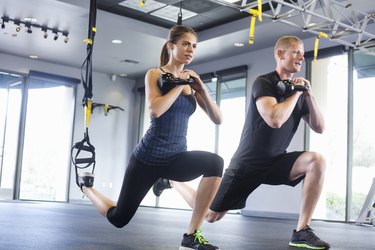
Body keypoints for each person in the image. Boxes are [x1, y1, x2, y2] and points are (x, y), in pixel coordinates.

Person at [154, 35, 330, 249]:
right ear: (280, 54)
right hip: (247, 163)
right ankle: (172, 181)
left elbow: (319, 127)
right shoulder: (264, 82)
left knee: (317, 161)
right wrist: (295, 94)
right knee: (211, 215)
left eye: (302, 53)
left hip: (276, 161)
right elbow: (275, 119)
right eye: (296, 51)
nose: (301, 56)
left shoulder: (301, 93)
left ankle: (301, 231)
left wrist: (308, 95)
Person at [77, 25, 224, 250]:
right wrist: (180, 84)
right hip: (147, 159)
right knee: (119, 218)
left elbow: (218, 119)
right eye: (185, 44)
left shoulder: (192, 83)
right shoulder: (155, 74)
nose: (190, 49)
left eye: (194, 46)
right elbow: (155, 110)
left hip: (176, 156)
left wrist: (201, 88)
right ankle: (87, 187)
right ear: (171, 46)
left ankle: (190, 236)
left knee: (215, 162)